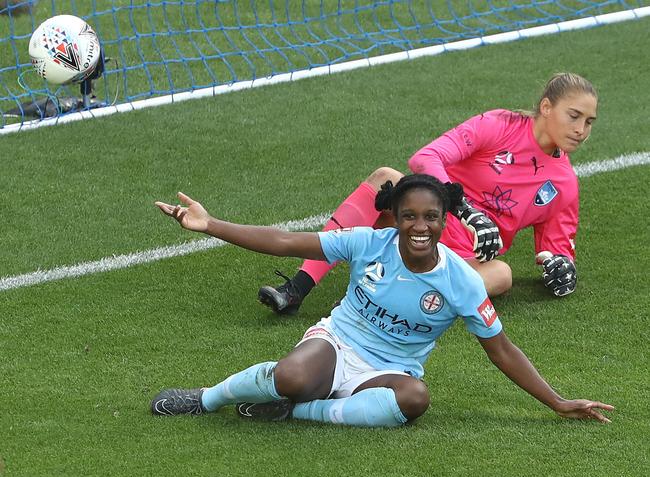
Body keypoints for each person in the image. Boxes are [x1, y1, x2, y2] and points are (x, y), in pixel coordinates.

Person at [150, 175, 613, 427]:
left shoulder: (462, 281)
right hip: (338, 342)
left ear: (443, 220)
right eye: (408, 215)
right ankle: (206, 400)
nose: (419, 226)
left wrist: (557, 402)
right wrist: (210, 225)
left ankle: (299, 410)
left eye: (430, 217)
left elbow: (502, 349)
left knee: (414, 399)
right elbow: (287, 242)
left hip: (391, 368)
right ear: (393, 216)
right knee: (291, 374)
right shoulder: (368, 243)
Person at [258, 72, 597, 315]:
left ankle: (374, 302)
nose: (581, 130)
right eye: (574, 116)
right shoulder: (498, 125)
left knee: (501, 275)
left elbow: (555, 249)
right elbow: (425, 157)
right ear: (547, 107)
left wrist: (562, 271)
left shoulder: (564, 185)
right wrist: (462, 208)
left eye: (589, 122)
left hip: (457, 260)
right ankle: (298, 288)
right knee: (385, 178)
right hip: (421, 223)